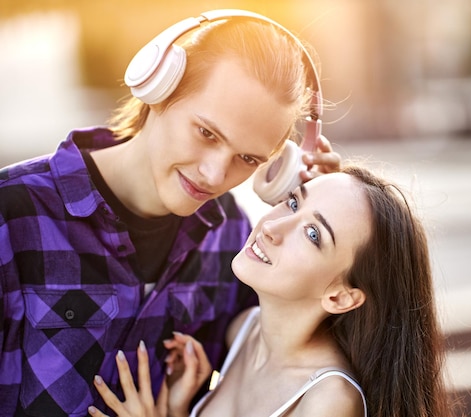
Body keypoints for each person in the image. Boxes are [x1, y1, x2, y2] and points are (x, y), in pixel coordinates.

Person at [0, 9, 340, 417]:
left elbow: (291, 342)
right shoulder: (12, 215)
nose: (215, 175)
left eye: (248, 158)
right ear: (158, 87)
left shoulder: (231, 235)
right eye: (206, 133)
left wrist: (324, 205)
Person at [89, 165, 452, 417]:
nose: (273, 226)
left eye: (312, 235)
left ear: (341, 297)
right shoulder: (244, 330)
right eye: (294, 201)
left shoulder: (327, 400)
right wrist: (176, 410)